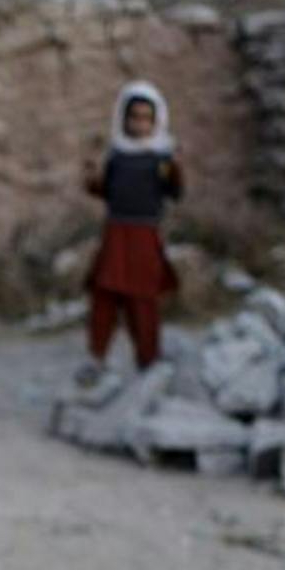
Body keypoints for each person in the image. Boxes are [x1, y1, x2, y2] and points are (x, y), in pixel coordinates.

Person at [79, 81, 183, 385]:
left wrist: (176, 167)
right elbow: (107, 191)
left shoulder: (161, 157)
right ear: (123, 118)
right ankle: (96, 357)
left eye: (145, 118)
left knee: (143, 301)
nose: (139, 124)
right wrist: (91, 177)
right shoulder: (117, 155)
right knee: (104, 296)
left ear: (156, 120)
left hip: (143, 236)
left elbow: (174, 192)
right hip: (115, 234)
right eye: (134, 117)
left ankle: (148, 361)